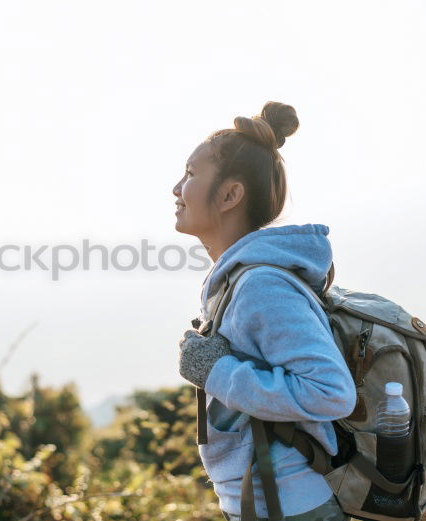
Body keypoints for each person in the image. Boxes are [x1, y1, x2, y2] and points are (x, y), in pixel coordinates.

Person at [173, 101, 357, 521]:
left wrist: (217, 371)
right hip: (265, 506)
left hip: (292, 507)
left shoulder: (261, 285)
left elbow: (332, 392)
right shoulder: (236, 280)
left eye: (190, 173)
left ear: (230, 195)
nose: (176, 188)